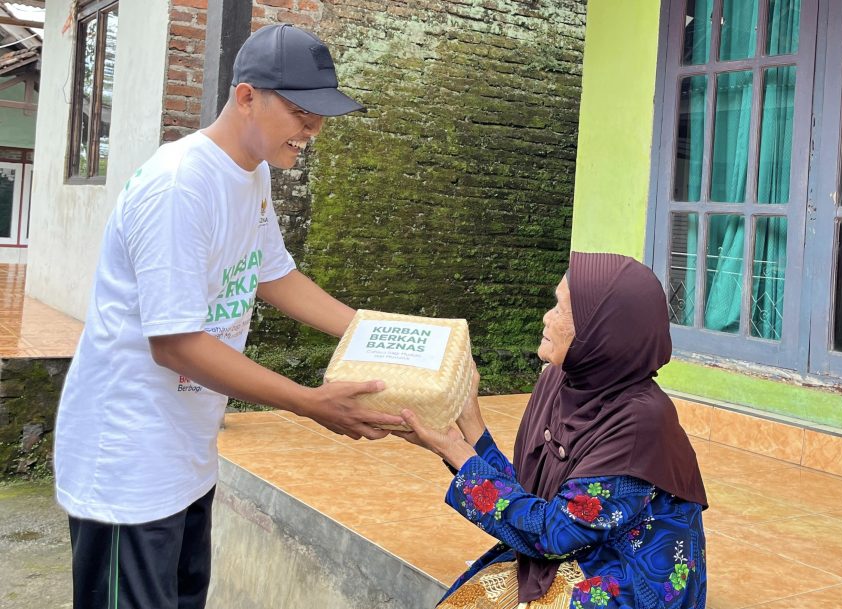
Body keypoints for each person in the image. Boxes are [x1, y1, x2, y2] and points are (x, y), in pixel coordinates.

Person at [53, 24, 404, 609]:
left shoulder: (251, 171)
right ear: (246, 97)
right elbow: (175, 343)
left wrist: (384, 335)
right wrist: (309, 402)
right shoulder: (180, 186)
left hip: (186, 453)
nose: (313, 131)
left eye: (320, 117)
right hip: (129, 462)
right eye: (301, 113)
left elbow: (273, 275)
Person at [398, 252, 709, 609]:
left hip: (627, 575)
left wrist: (457, 452)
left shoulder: (640, 422)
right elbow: (529, 496)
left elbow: (553, 534)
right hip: (573, 547)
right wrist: (468, 421)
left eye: (561, 309)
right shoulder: (560, 381)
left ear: (601, 331)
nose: (546, 317)